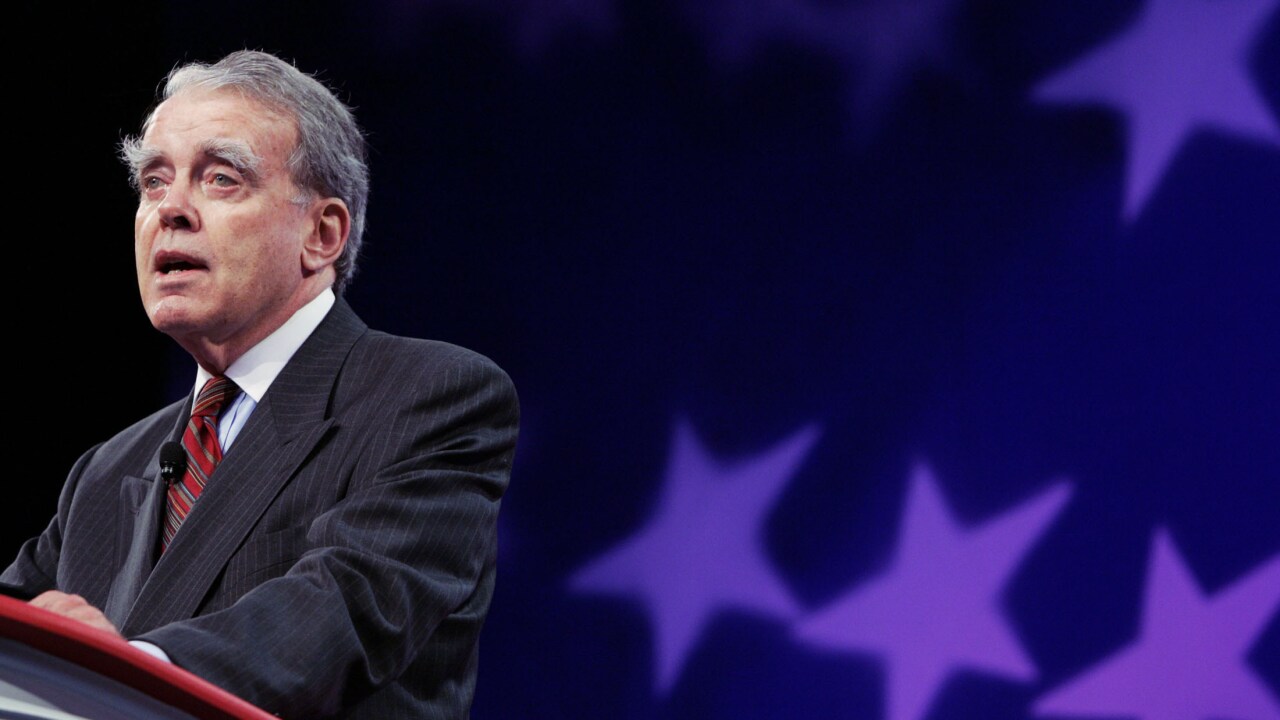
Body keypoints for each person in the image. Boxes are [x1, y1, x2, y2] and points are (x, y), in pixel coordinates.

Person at [1, 49, 519, 719]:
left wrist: (118, 672)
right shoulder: (105, 473)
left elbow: (342, 609)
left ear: (322, 233)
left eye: (220, 178)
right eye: (154, 181)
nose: (170, 209)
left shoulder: (431, 397)